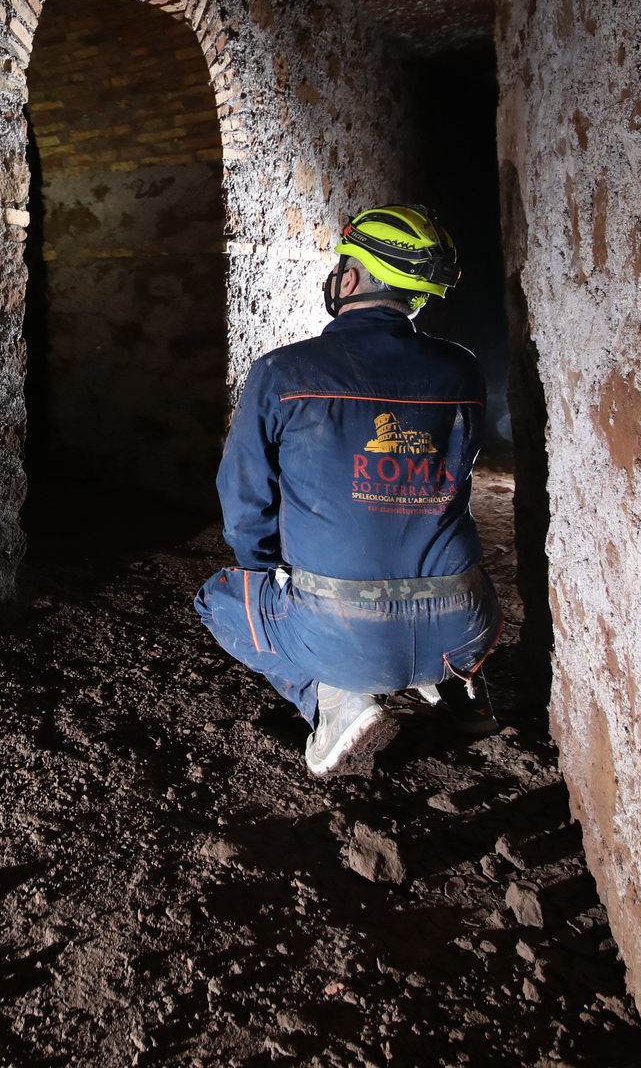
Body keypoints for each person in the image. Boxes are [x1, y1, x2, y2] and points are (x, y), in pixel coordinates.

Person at [194, 204, 501, 776]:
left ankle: (332, 700)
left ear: (351, 279)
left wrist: (268, 569)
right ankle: (464, 687)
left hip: (340, 635)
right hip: (465, 626)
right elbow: (457, 481)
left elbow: (244, 506)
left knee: (218, 599)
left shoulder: (284, 372)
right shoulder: (462, 370)